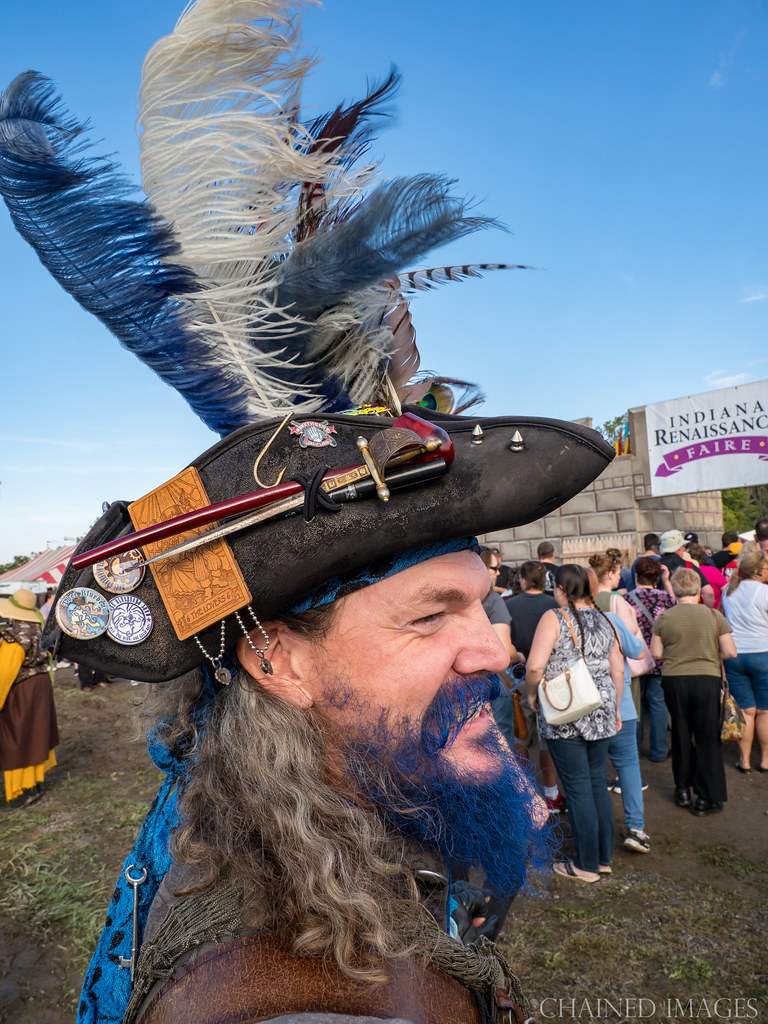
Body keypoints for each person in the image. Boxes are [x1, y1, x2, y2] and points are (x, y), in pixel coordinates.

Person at [526, 565, 624, 882]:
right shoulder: (605, 618)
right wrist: (617, 708)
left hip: (566, 709)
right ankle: (603, 858)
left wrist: (531, 695)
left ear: (559, 589)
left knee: (578, 787)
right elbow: (618, 669)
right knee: (597, 783)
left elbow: (535, 665)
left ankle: (586, 865)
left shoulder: (554, 617)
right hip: (603, 707)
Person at [650, 568, 736, 816]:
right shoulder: (712, 615)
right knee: (708, 736)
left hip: (674, 680)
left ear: (675, 591)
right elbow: (730, 652)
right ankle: (707, 797)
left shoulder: (665, 618)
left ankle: (683, 789)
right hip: (707, 679)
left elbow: (656, 654)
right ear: (699, 591)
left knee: (681, 733)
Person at [584, 567, 650, 855]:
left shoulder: (561, 622)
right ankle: (636, 828)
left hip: (584, 709)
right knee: (628, 766)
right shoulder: (610, 620)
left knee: (594, 772)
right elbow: (636, 651)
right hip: (621, 705)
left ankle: (598, 831)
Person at [505, 561, 564, 812]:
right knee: (545, 741)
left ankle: (522, 789)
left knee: (520, 736)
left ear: (524, 581)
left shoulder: (508, 606)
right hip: (549, 680)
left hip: (518, 677)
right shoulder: (555, 607)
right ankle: (550, 792)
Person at [0, 588, 59, 808]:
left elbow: (4, 673)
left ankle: (20, 791)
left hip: (22, 689)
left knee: (16, 739)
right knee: (35, 735)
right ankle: (34, 783)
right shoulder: (38, 629)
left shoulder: (14, 636)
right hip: (40, 686)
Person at [721, 547, 768, 773]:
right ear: (758, 571)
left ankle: (745, 760)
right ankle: (766, 759)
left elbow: (721, 621)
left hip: (734, 655)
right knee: (766, 711)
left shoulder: (727, 591)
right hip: (763, 654)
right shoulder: (765, 593)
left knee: (746, 711)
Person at [624, 557, 675, 762]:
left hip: (635, 659)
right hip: (659, 658)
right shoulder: (666, 598)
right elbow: (676, 610)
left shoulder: (625, 599)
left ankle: (633, 750)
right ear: (657, 577)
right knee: (659, 705)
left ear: (636, 575)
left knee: (635, 706)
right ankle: (659, 750)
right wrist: (668, 581)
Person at [658, 530, 715, 609]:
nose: (684, 548)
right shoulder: (689, 566)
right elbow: (709, 593)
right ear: (679, 548)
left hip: (660, 615)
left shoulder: (653, 567)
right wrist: (708, 612)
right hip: (688, 612)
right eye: (683, 546)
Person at [687, 542, 727, 610]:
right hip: (715, 611)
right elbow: (727, 590)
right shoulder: (713, 571)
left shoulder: (687, 571)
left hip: (693, 610)